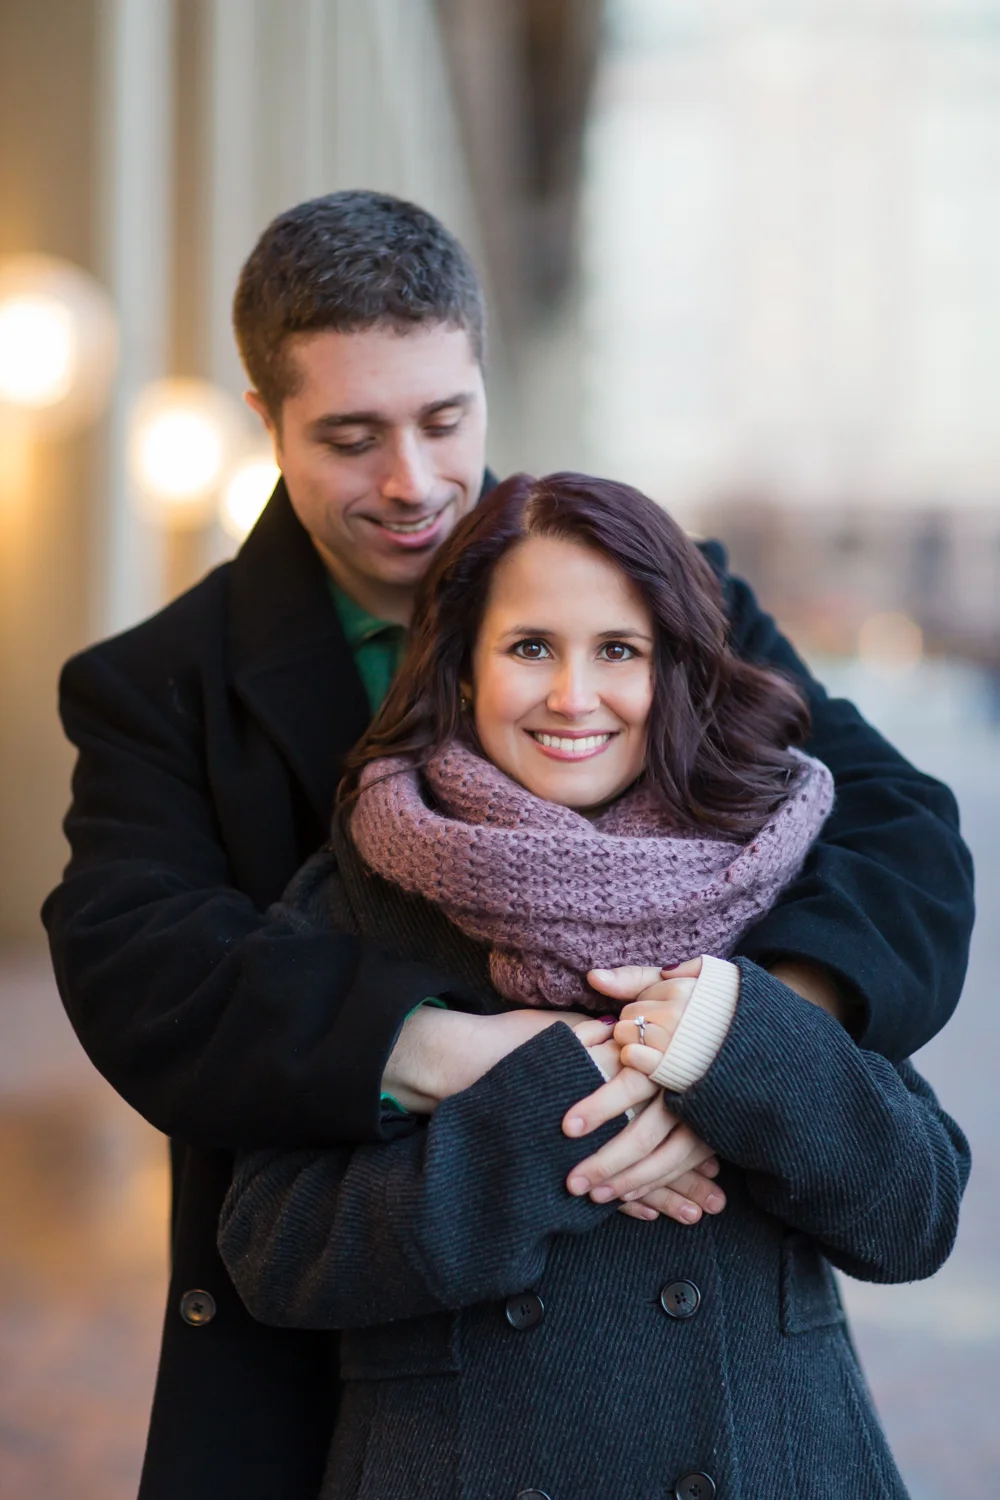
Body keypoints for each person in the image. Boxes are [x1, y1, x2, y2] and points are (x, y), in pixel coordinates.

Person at [41, 192, 973, 1500]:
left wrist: (734, 1039)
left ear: (481, 376)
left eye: (443, 420)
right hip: (379, 1371)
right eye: (352, 437)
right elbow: (145, 967)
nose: (413, 482)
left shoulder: (657, 588)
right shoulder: (164, 687)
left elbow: (888, 820)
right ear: (267, 422)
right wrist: (501, 1064)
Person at [218, 472, 970, 1500]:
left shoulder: (768, 872)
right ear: (463, 665)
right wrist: (540, 1118)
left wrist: (742, 1048)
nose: (573, 696)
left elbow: (916, 1213)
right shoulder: (360, 890)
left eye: (618, 650)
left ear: (674, 671)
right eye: (531, 647)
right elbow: (274, 1248)